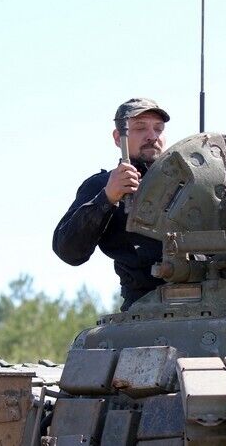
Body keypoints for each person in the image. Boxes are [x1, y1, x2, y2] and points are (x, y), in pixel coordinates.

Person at [52, 98, 170, 311]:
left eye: (158, 129)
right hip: (144, 307)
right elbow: (68, 250)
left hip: (215, 299)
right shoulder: (102, 186)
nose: (152, 136)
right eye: (140, 128)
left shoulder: (189, 184)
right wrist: (107, 198)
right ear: (118, 138)